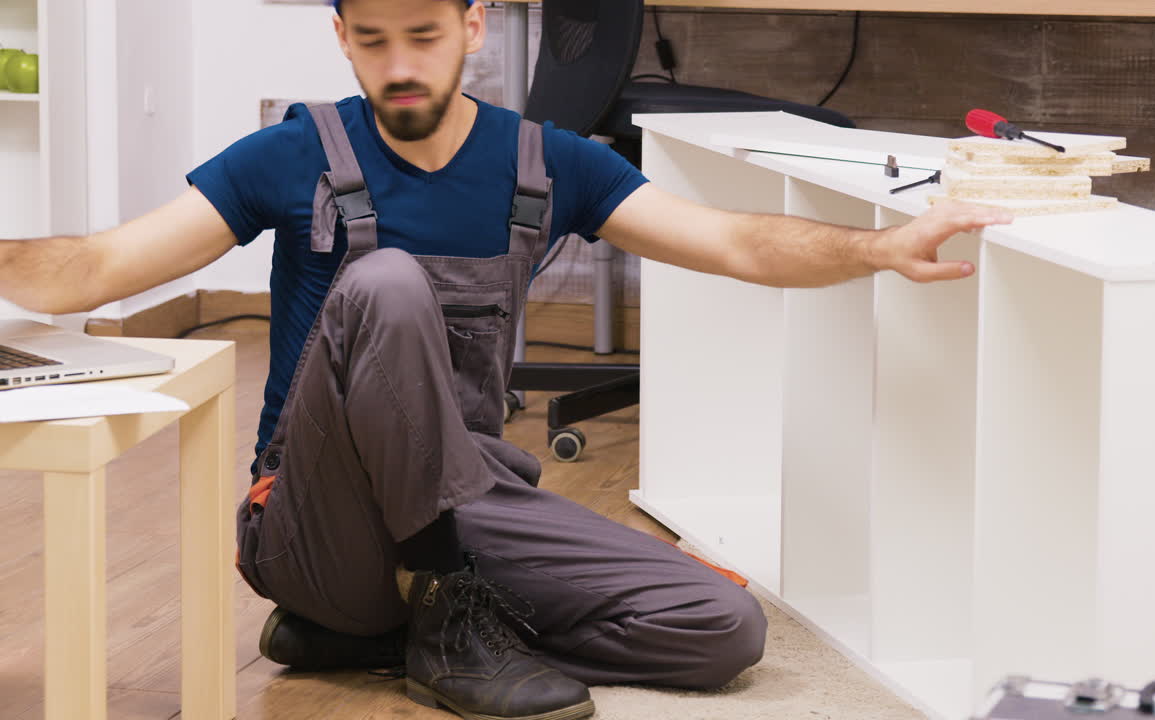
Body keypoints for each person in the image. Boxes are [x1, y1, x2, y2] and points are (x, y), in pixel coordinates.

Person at [0, 1, 1013, 718]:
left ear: (473, 29)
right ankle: (423, 611)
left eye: (425, 37)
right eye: (373, 40)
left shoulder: (548, 162)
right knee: (385, 282)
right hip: (312, 527)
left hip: (466, 497)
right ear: (342, 39)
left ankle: (391, 632)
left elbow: (734, 243)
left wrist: (876, 249)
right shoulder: (289, 153)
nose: (399, 65)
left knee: (719, 627)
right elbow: (94, 266)